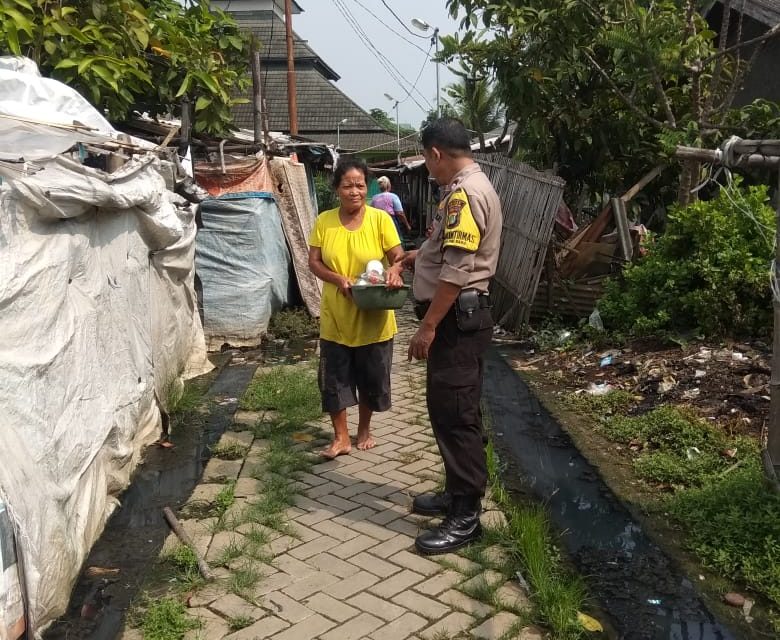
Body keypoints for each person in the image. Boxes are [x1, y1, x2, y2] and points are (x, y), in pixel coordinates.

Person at [402, 117, 503, 555]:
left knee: (457, 414)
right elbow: (448, 252)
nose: (429, 170)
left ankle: (465, 518)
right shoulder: (470, 188)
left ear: (436, 153)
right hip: (460, 322)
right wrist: (416, 256)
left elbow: (458, 270)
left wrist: (427, 327)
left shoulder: (464, 194)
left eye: (428, 160)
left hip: (455, 324)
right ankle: (454, 493)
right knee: (449, 410)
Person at [308, 158, 405, 459]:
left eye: (360, 185)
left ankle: (363, 430)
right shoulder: (324, 220)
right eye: (348, 185)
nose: (354, 191)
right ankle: (340, 438)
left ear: (368, 187)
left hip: (373, 316)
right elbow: (314, 261)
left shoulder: (380, 220)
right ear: (336, 188)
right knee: (334, 378)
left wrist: (395, 271)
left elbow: (398, 255)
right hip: (336, 316)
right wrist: (337, 279)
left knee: (370, 376)